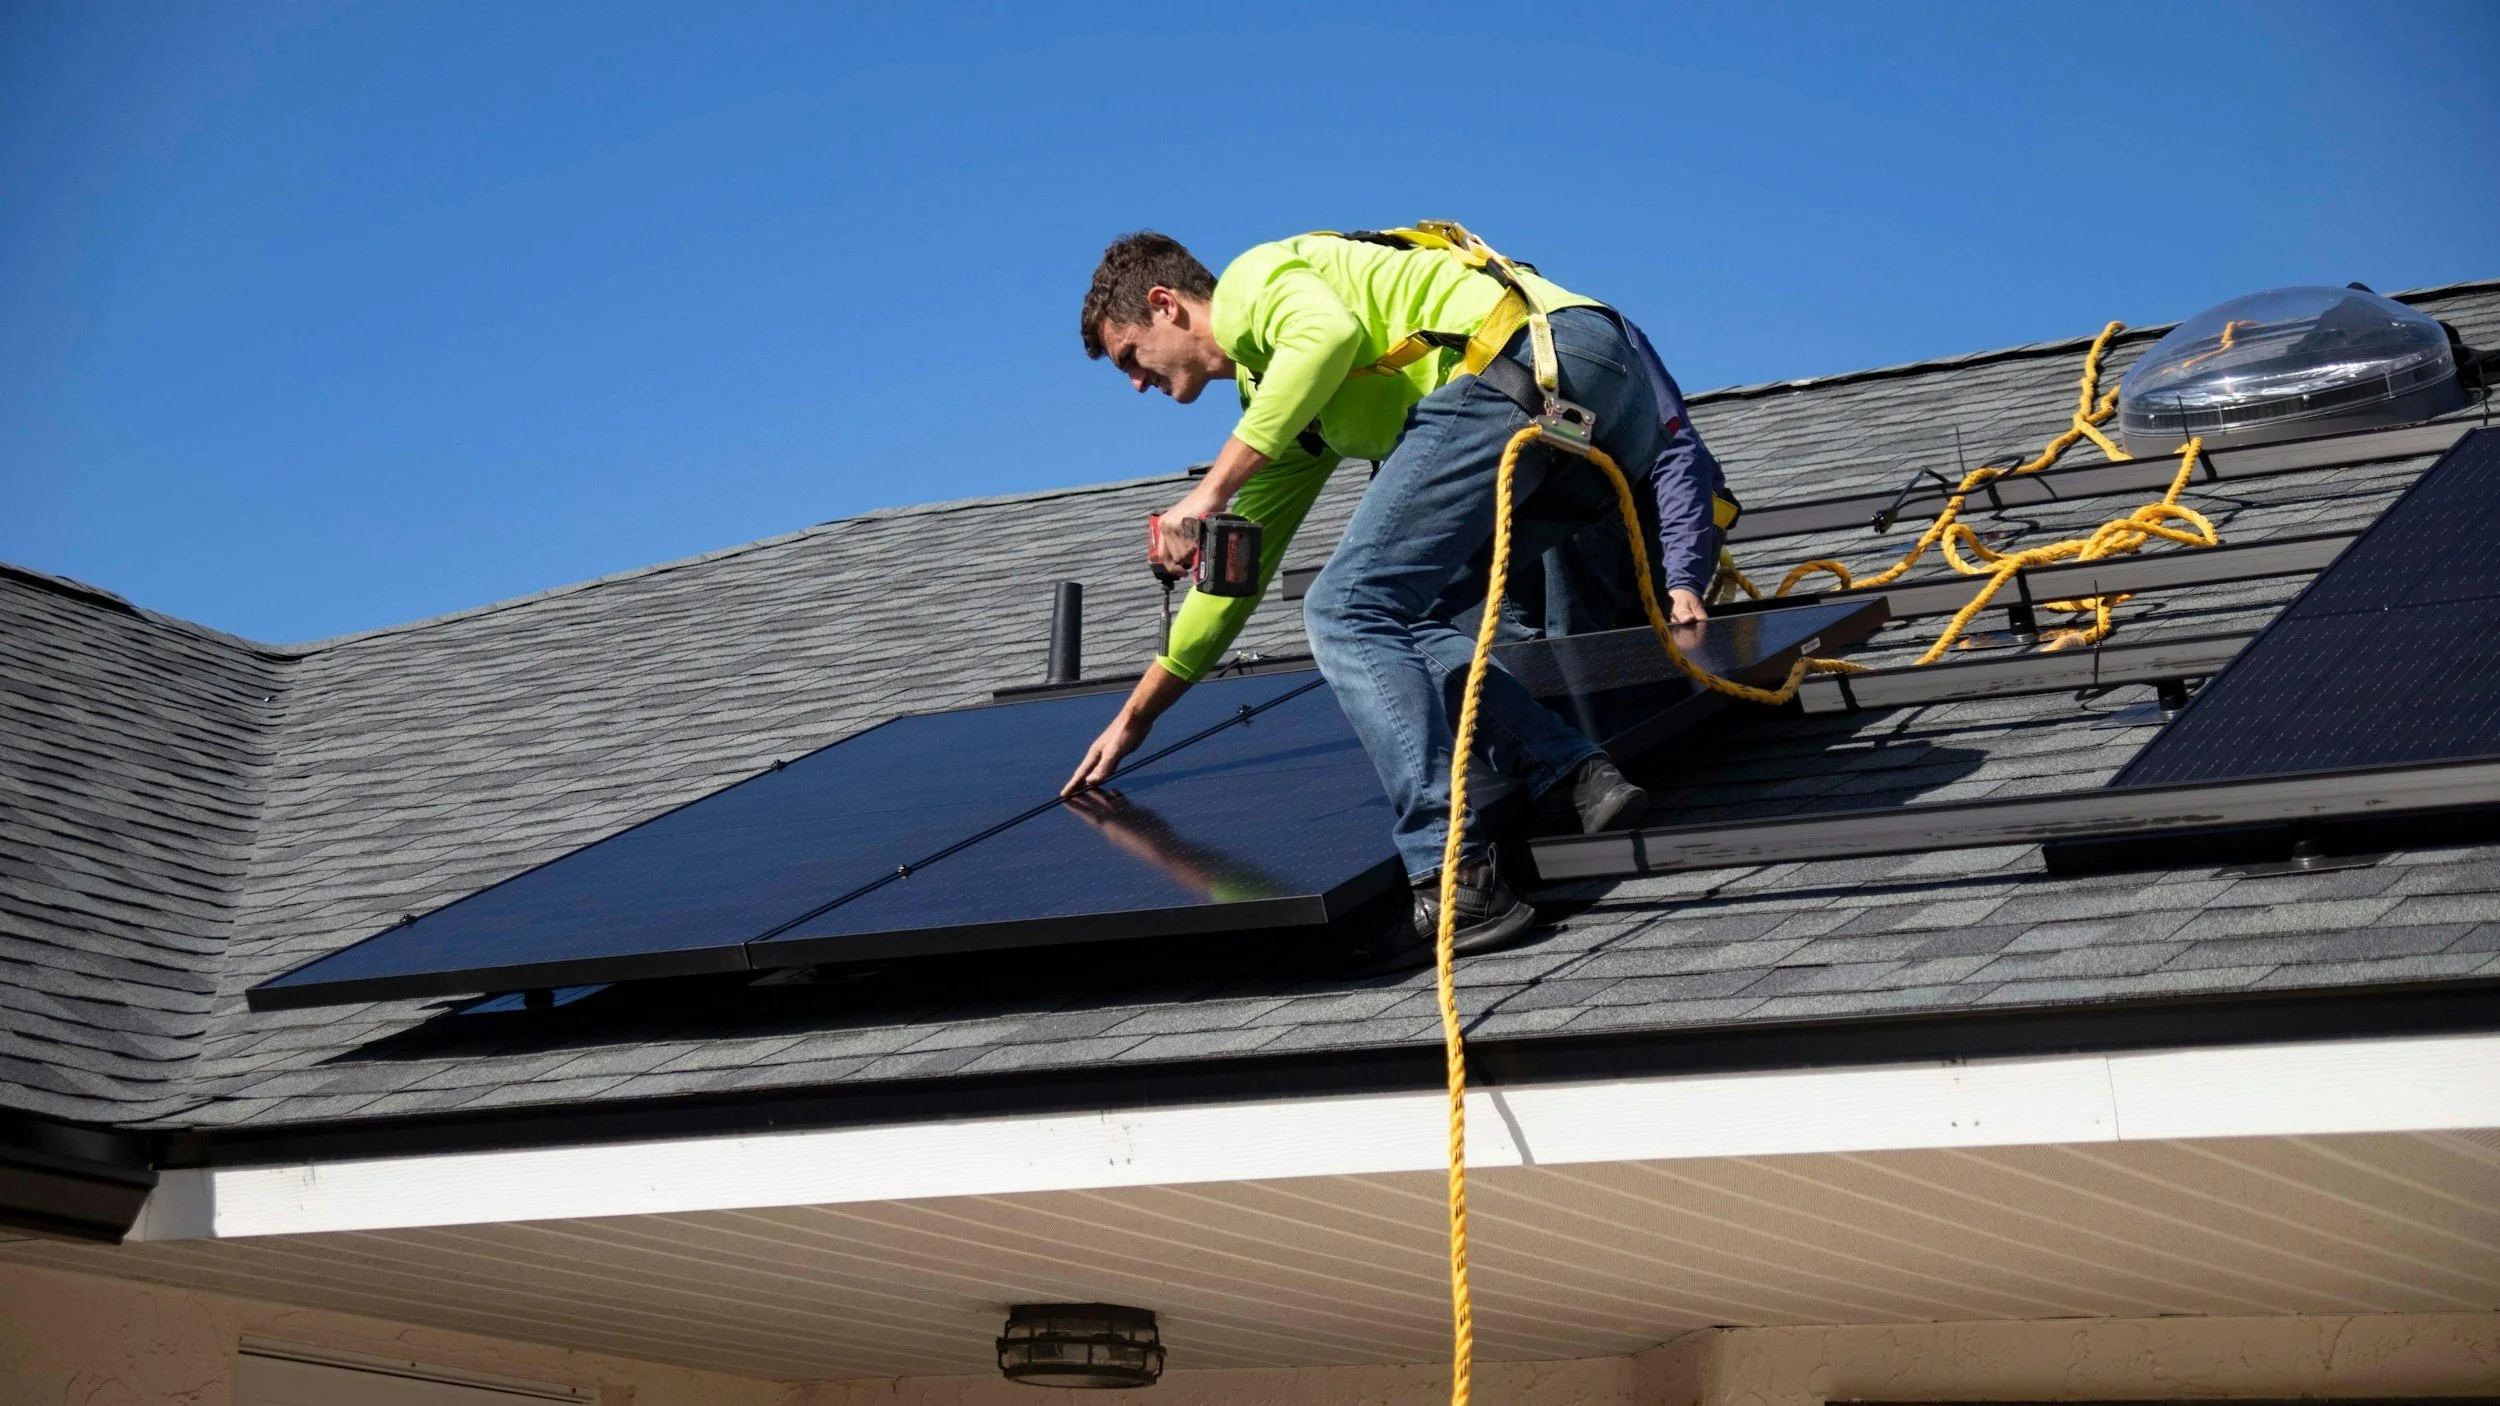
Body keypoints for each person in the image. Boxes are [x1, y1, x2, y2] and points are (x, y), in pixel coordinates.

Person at [1063, 229, 1678, 954]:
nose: (1136, 383)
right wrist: (1137, 718)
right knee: (1394, 617)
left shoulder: (1256, 284)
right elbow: (1235, 583)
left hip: (1526, 363)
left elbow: (1322, 339)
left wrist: (1206, 495)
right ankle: (1574, 771)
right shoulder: (1286, 411)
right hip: (1599, 416)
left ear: (1165, 305)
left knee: (1343, 608)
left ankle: (1456, 876)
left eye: (1131, 356)